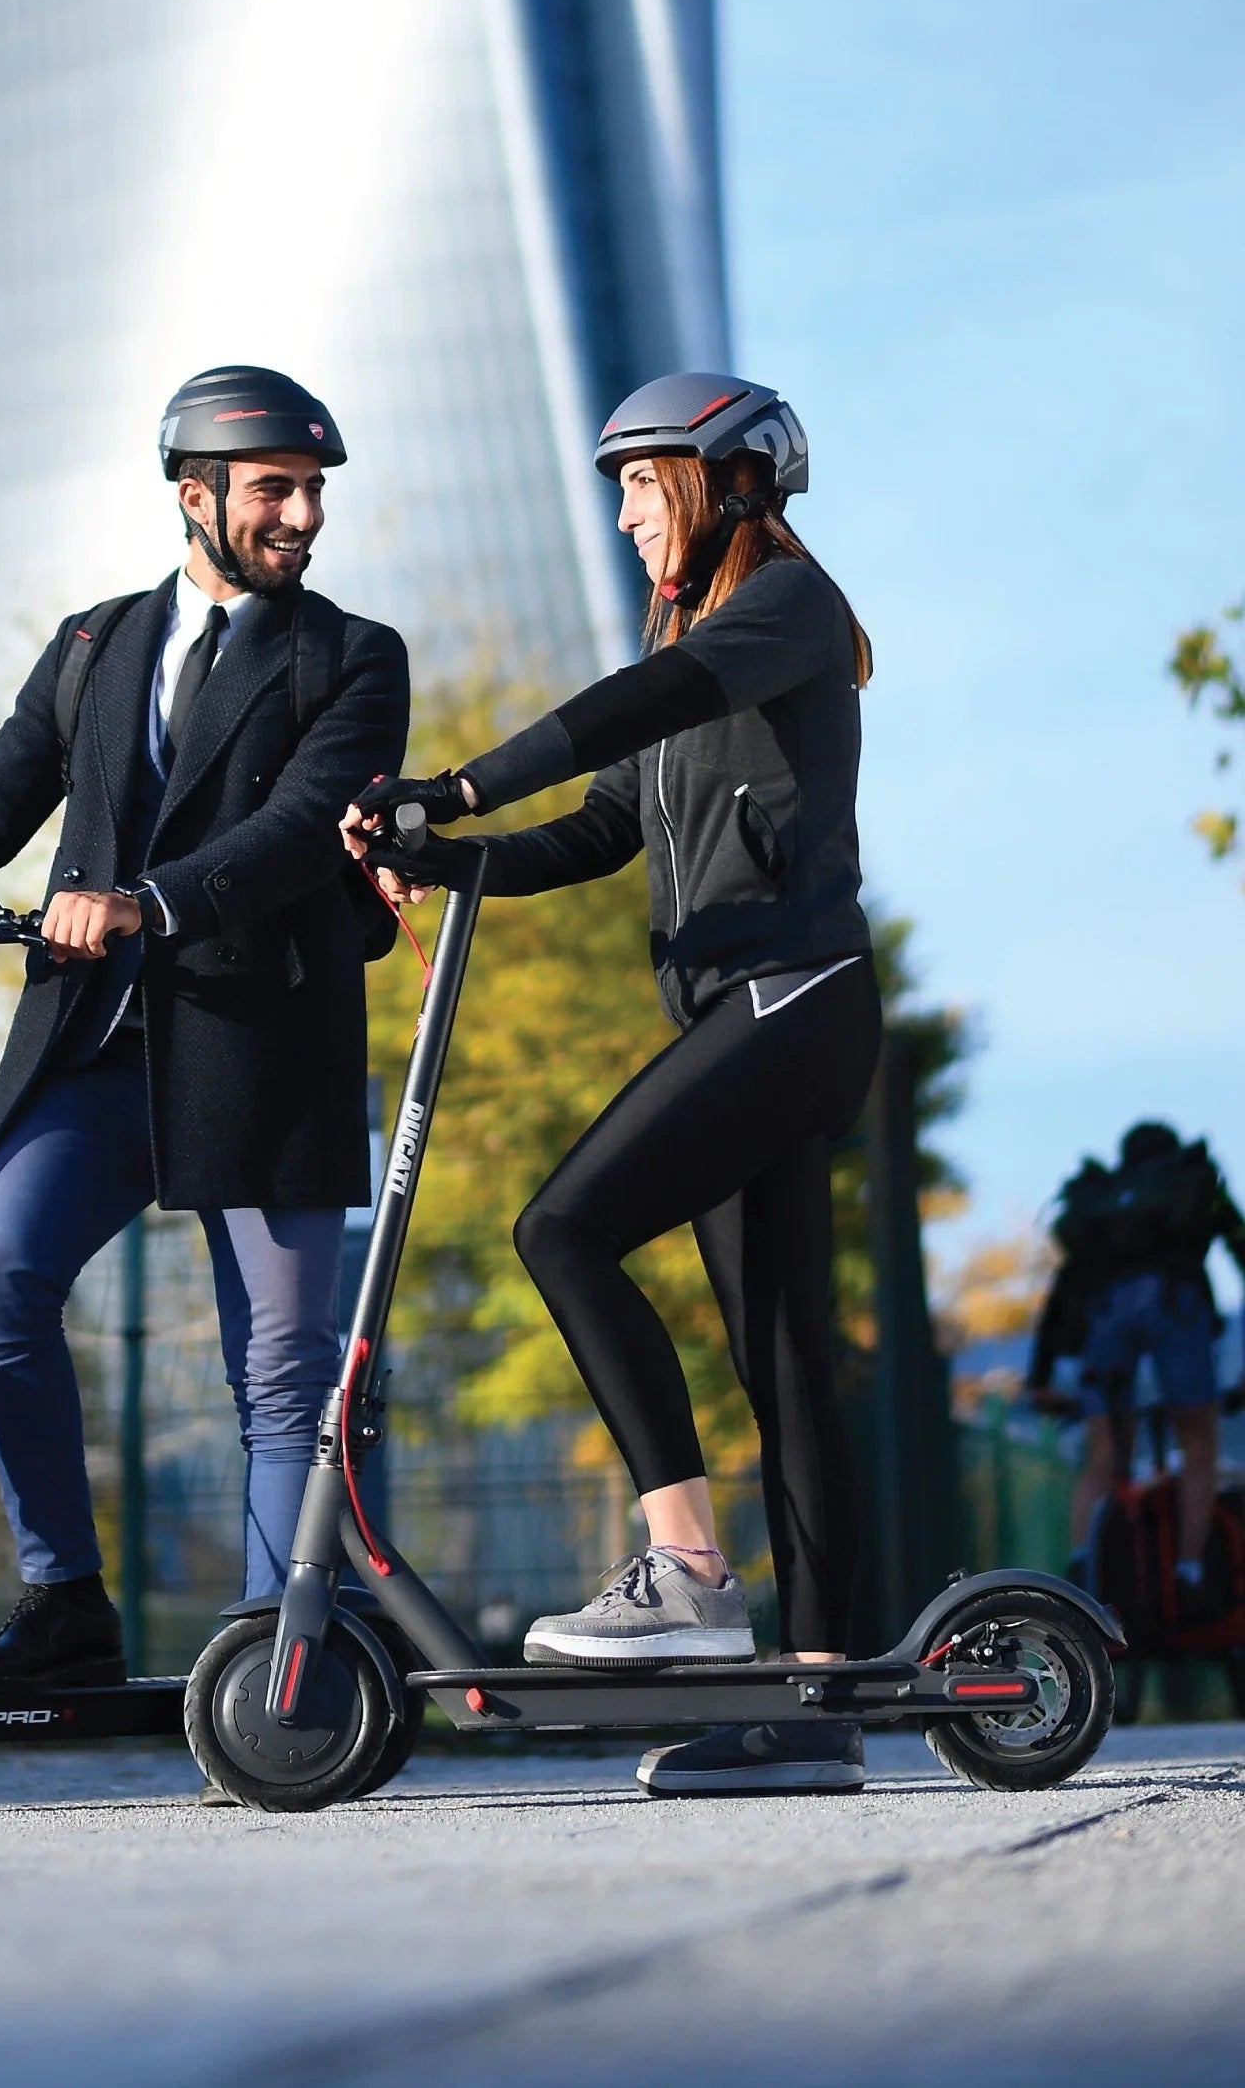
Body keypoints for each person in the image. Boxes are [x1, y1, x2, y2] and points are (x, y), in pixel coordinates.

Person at [0, 366, 409, 1690]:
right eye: (276, 489)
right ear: (197, 496)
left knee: (282, 1372)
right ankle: (65, 1601)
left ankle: (277, 1663)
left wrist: (149, 901)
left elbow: (299, 830)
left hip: (260, 1043)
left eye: (314, 492)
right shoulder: (93, 646)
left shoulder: (353, 657)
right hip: (97, 1049)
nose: (305, 514)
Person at [346, 370, 880, 1795]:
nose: (630, 513)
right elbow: (595, 828)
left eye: (647, 483)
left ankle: (690, 1570)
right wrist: (442, 854)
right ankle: (818, 1709)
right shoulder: (695, 636)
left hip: (797, 997)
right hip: (741, 1011)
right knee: (784, 1359)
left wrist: (456, 783)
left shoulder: (784, 612)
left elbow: (626, 708)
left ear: (727, 484)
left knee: (562, 1227)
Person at [1027, 1121, 1245, 1607]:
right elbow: (1240, 1246)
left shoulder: (1106, 1202)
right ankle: (1190, 1570)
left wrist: (1038, 1377)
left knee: (1104, 1450)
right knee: (1198, 1438)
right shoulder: (1191, 1183)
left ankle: (1084, 1567)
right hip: (1175, 1306)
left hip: (1107, 1317)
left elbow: (1066, 1285)